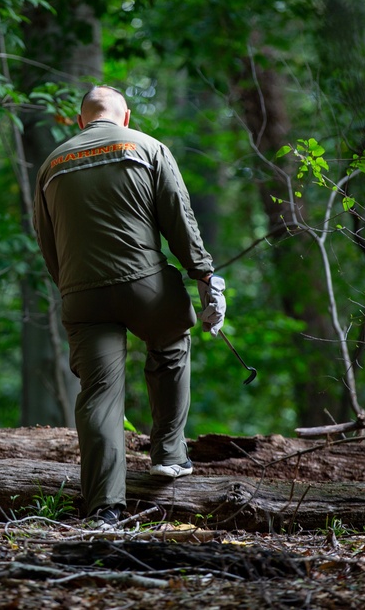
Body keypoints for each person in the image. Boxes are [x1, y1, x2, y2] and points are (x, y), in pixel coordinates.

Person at [32, 85, 226, 528]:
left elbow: (47, 240)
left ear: (80, 121)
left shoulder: (51, 164)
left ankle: (104, 508)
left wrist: (70, 286)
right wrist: (204, 276)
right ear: (126, 116)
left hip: (81, 293)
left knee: (99, 394)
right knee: (171, 340)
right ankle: (169, 453)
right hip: (145, 286)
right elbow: (180, 218)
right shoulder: (149, 147)